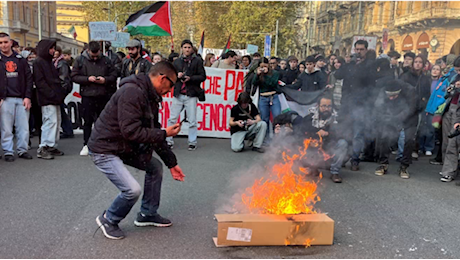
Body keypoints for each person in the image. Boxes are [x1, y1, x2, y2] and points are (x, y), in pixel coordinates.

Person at [89, 61, 185, 240]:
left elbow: (153, 133)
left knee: (155, 167)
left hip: (122, 146)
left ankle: (147, 214)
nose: (171, 90)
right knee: (132, 190)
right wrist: (164, 132)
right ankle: (109, 219)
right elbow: (132, 131)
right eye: (171, 85)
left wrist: (172, 163)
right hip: (104, 148)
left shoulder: (150, 96)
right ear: (162, 78)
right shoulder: (131, 92)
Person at [71, 41, 118, 156]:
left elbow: (114, 75)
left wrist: (105, 80)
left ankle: (103, 144)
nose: (95, 58)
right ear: (88, 51)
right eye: (93, 56)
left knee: (104, 121)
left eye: (97, 55)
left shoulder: (106, 60)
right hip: (87, 95)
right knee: (87, 121)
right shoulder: (80, 60)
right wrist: (87, 79)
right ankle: (86, 144)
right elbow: (74, 76)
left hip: (103, 95)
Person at [334, 40, 375, 171]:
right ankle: (342, 158)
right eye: (356, 49)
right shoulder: (349, 64)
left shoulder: (370, 65)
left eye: (361, 49)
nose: (358, 52)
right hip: (346, 104)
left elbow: (370, 84)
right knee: (344, 132)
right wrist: (347, 64)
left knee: (358, 134)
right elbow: (338, 75)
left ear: (366, 50)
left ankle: (355, 159)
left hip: (361, 105)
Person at [294, 95, 349, 183]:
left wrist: (328, 134)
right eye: (323, 106)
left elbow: (343, 133)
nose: (326, 108)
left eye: (329, 106)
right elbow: (301, 131)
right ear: (318, 106)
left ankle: (335, 172)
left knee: (343, 143)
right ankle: (313, 167)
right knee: (306, 142)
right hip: (315, 147)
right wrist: (316, 133)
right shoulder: (310, 117)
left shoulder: (337, 118)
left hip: (330, 146)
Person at [374, 80, 418, 179]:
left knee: (409, 140)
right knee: (384, 137)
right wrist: (385, 118)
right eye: (389, 96)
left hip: (409, 119)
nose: (391, 98)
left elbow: (411, 109)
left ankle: (404, 166)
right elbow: (378, 107)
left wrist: (396, 118)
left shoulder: (410, 91)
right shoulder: (383, 91)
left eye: (394, 96)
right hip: (391, 116)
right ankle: (383, 164)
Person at [167, 40, 206, 151]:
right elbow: (170, 77)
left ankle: (192, 141)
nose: (187, 49)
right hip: (178, 94)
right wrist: (177, 76)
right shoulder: (177, 62)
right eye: (185, 47)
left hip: (191, 94)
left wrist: (191, 78)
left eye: (189, 47)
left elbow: (203, 76)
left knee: (192, 120)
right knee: (172, 118)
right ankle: (169, 140)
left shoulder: (197, 61)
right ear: (182, 48)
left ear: (192, 49)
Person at [0, 32, 33, 161]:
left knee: (23, 127)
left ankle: (22, 149)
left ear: (11, 43)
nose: (3, 45)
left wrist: (28, 96)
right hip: (5, 99)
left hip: (21, 98)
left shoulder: (20, 60)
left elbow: (29, 78)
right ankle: (8, 151)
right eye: (1, 43)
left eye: (5, 42)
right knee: (6, 127)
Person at [34, 39, 68, 160]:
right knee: (50, 121)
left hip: (54, 97)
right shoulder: (39, 62)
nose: (53, 51)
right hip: (48, 98)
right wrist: (52, 94)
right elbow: (40, 82)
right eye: (51, 48)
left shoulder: (48, 62)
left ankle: (52, 145)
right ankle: (44, 146)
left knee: (56, 121)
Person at [400, 55, 431, 159]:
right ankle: (402, 152)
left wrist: (423, 103)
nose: (418, 64)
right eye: (416, 62)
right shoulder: (406, 76)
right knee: (404, 132)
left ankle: (414, 149)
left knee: (417, 129)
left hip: (419, 108)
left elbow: (427, 94)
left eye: (420, 62)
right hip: (406, 107)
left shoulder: (425, 78)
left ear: (423, 65)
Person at [439, 57, 460, 182]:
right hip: (449, 107)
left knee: (453, 141)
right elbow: (447, 93)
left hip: (458, 111)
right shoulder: (455, 77)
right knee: (446, 140)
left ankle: (449, 171)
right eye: (457, 70)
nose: (458, 73)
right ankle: (446, 166)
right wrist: (451, 89)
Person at [252, 57, 281, 144]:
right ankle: (267, 139)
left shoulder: (275, 73)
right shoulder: (259, 74)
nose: (263, 68)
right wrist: (257, 75)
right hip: (263, 98)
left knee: (277, 117)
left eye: (265, 66)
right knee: (265, 119)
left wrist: (266, 74)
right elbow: (254, 83)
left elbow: (272, 83)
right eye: (261, 66)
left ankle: (278, 138)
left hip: (273, 96)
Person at [53, 46, 74, 139]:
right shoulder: (60, 63)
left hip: (61, 90)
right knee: (61, 110)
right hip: (61, 89)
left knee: (61, 110)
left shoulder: (61, 63)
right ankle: (67, 129)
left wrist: (61, 91)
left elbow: (64, 78)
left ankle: (67, 129)